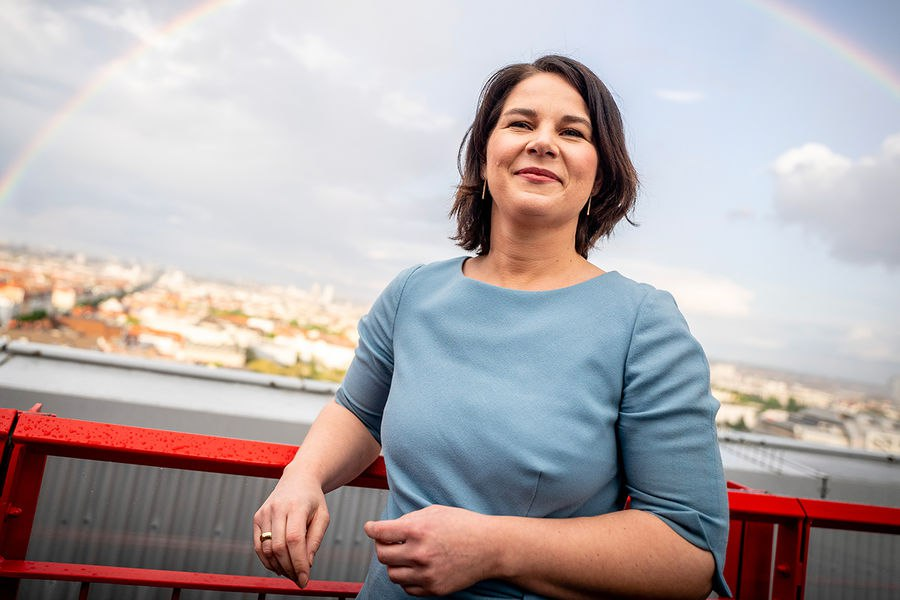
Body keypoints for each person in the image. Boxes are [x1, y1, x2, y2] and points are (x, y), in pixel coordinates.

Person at [254, 55, 731, 599]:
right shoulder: (413, 293)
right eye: (521, 123)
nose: (542, 142)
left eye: (572, 132)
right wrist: (302, 476)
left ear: (600, 176)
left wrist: (493, 548)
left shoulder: (644, 324)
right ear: (484, 158)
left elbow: (689, 553)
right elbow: (359, 413)